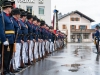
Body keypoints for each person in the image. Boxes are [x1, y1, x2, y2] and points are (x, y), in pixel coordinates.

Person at [0, 1, 15, 75]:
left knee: (9, 56)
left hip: (11, 39)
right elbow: (1, 29)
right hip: (7, 39)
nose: (11, 9)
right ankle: (4, 71)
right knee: (5, 56)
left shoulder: (9, 17)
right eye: (10, 8)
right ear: (7, 8)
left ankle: (7, 70)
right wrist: (3, 39)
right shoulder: (2, 16)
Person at [11, 8, 22, 72]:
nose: (20, 16)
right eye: (19, 14)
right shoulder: (12, 20)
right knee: (14, 54)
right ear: (16, 14)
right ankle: (13, 67)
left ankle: (16, 66)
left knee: (17, 54)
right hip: (14, 40)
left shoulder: (16, 21)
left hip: (17, 39)